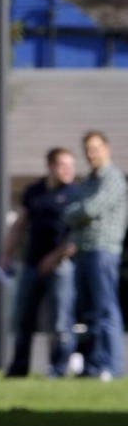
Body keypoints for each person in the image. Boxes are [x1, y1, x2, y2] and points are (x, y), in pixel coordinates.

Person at [45, 131, 128, 380]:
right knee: (89, 314)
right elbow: (70, 212)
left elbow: (90, 208)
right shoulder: (87, 181)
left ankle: (111, 366)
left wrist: (80, 213)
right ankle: (93, 366)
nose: (92, 154)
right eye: (88, 150)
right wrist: (81, 215)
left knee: (106, 310)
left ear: (107, 148)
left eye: (96, 148)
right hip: (83, 251)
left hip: (104, 251)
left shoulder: (113, 178)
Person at [0, 146, 79, 378]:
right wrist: (6, 254)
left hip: (62, 265)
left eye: (71, 166)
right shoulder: (34, 191)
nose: (68, 170)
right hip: (32, 262)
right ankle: (18, 368)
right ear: (51, 166)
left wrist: (54, 258)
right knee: (23, 318)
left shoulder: (76, 193)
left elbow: (76, 237)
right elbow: (19, 224)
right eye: (63, 165)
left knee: (60, 321)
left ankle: (58, 368)